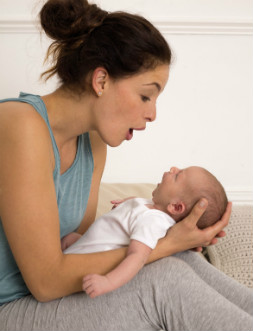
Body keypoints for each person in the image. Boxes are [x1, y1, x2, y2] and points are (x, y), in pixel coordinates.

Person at [0, 0, 252, 330]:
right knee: (165, 276)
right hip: (11, 308)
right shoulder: (19, 125)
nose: (153, 114)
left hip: (52, 301)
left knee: (179, 258)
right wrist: (166, 244)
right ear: (101, 81)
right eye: (146, 95)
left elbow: (83, 246)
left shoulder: (93, 142)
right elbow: (46, 282)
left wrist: (172, 234)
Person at [62, 165, 228, 298]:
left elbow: (137, 257)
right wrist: (126, 205)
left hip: (86, 265)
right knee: (70, 238)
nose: (173, 168)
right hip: (81, 250)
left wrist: (107, 281)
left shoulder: (154, 222)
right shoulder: (151, 207)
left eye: (177, 176)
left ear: (176, 207)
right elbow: (135, 213)